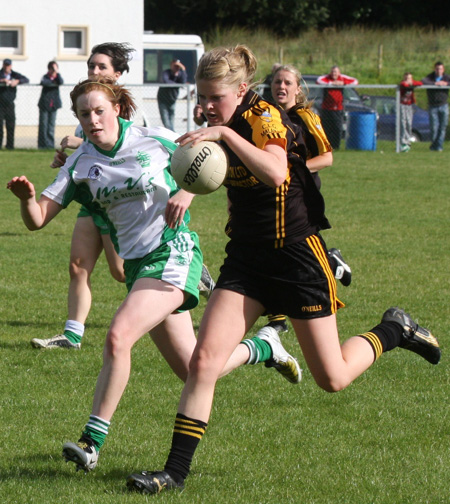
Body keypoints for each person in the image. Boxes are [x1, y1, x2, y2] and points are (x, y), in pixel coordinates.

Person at [124, 45, 441, 496]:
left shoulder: (264, 116)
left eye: (216, 97)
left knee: (331, 378)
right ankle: (173, 473)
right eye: (203, 97)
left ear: (241, 90)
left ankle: (395, 329)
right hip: (247, 260)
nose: (207, 106)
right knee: (204, 363)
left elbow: (275, 172)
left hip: (297, 257)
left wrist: (223, 135)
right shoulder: (222, 123)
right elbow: (208, 168)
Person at [7, 76, 300, 474]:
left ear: (116, 110)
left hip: (174, 252)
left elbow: (209, 155)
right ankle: (263, 348)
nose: (93, 120)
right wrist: (27, 200)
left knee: (118, 335)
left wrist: (187, 191)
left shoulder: (154, 138)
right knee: (193, 368)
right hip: (138, 268)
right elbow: (37, 219)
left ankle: (91, 442)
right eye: (83, 114)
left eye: (99, 111)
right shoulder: (80, 163)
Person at [30, 42, 135, 350]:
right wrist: (68, 163)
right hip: (90, 198)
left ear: (117, 73)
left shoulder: (120, 106)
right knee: (78, 265)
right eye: (91, 65)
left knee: (121, 271)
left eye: (101, 66)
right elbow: (88, 153)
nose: (94, 71)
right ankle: (71, 335)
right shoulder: (86, 99)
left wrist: (76, 142)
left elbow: (115, 148)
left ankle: (182, 276)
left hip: (116, 199)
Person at [261, 63, 352, 334]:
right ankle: (276, 319)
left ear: (298, 89)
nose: (282, 87)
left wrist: (293, 169)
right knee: (269, 247)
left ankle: (328, 262)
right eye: (277, 82)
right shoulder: (266, 115)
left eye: (288, 82)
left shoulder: (305, 117)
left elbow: (327, 157)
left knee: (281, 249)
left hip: (300, 196)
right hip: (273, 193)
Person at [316, 66, 358, 150]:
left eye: (335, 72)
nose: (334, 74)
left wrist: (343, 83)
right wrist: (332, 83)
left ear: (339, 72)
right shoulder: (327, 78)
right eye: (332, 72)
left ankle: (336, 146)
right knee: (326, 128)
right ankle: (326, 145)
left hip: (338, 108)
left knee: (337, 127)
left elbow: (355, 81)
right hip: (326, 108)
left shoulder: (342, 78)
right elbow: (318, 80)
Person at [0, 58, 29, 150]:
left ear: (11, 66)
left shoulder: (14, 75)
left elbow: (26, 79)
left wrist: (17, 81)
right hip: (0, 104)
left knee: (10, 125)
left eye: (8, 65)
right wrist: (2, 81)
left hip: (10, 104)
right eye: (5, 65)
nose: (6, 67)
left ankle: (10, 146)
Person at [421, 62, 450, 152]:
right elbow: (423, 81)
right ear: (435, 69)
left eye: (440, 69)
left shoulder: (446, 77)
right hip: (433, 106)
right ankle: (434, 145)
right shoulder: (430, 77)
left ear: (443, 69)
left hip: (443, 105)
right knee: (434, 127)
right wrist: (435, 83)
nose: (439, 70)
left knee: (442, 127)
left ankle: (439, 146)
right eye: (437, 69)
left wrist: (446, 83)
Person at [38, 61, 64, 149]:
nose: (53, 71)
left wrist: (56, 73)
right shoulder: (45, 77)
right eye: (52, 69)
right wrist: (52, 80)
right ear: (49, 69)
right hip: (44, 105)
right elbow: (44, 83)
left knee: (51, 126)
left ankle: (50, 145)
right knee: (43, 125)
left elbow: (61, 82)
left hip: (54, 105)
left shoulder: (57, 77)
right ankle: (42, 145)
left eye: (55, 69)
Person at [157, 59, 187, 131]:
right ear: (171, 66)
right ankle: (171, 133)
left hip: (172, 100)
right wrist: (178, 85)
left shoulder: (180, 74)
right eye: (175, 66)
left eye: (178, 66)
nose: (177, 68)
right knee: (166, 120)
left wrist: (183, 69)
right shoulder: (166, 73)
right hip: (163, 99)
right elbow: (166, 81)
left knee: (171, 119)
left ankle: (171, 133)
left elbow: (183, 81)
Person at [399, 72, 423, 152]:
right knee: (403, 122)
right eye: (406, 78)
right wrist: (408, 83)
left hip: (409, 106)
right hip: (402, 105)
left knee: (409, 123)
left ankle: (408, 140)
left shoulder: (412, 83)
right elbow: (404, 84)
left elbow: (420, 83)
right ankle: (403, 141)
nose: (407, 80)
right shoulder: (403, 84)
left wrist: (412, 83)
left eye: (409, 78)